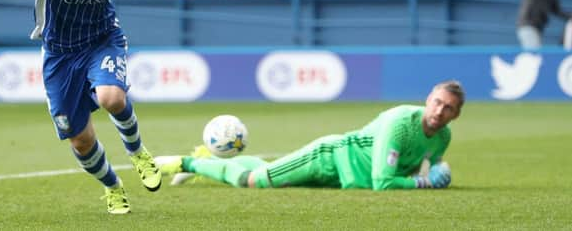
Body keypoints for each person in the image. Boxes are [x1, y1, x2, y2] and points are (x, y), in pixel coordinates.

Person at [0, 0, 263, 214]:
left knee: (111, 98)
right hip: (59, 55)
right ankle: (113, 187)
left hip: (102, 39)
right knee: (80, 140)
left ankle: (138, 152)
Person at [159, 80, 464, 190]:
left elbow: (424, 166)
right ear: (427, 100)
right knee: (253, 181)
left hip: (347, 178)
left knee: (266, 171)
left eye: (448, 108)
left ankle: (210, 159)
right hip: (329, 159)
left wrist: (437, 171)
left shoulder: (443, 137)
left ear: (455, 115)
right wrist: (425, 184)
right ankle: (190, 163)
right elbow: (383, 182)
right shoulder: (400, 122)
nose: (440, 111)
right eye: (437, 102)